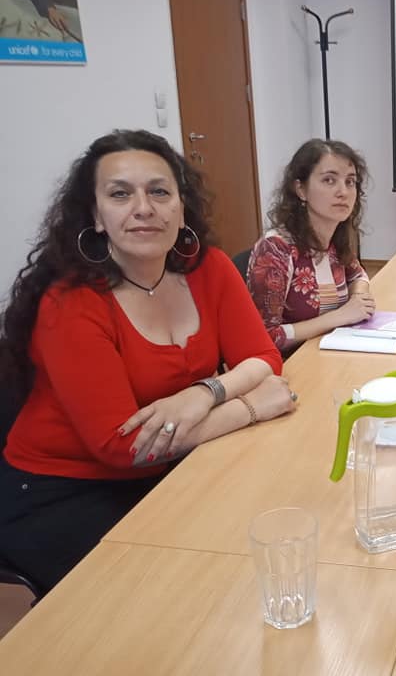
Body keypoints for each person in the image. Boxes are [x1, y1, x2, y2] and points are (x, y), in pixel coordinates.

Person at [0, 129, 297, 595]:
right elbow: (126, 446)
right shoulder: (70, 303)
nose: (144, 207)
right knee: (169, 597)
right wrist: (251, 407)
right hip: (62, 491)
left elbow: (261, 356)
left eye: (159, 191)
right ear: (96, 216)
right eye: (120, 194)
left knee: (264, 545)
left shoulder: (209, 268)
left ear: (181, 207)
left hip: (167, 468)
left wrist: (204, 393)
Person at [246, 139, 374, 355]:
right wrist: (340, 316)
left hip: (329, 351)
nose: (343, 192)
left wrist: (358, 299)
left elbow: (358, 275)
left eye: (350, 182)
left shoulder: (335, 238)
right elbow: (265, 337)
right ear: (301, 190)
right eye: (329, 180)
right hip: (289, 365)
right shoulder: (276, 249)